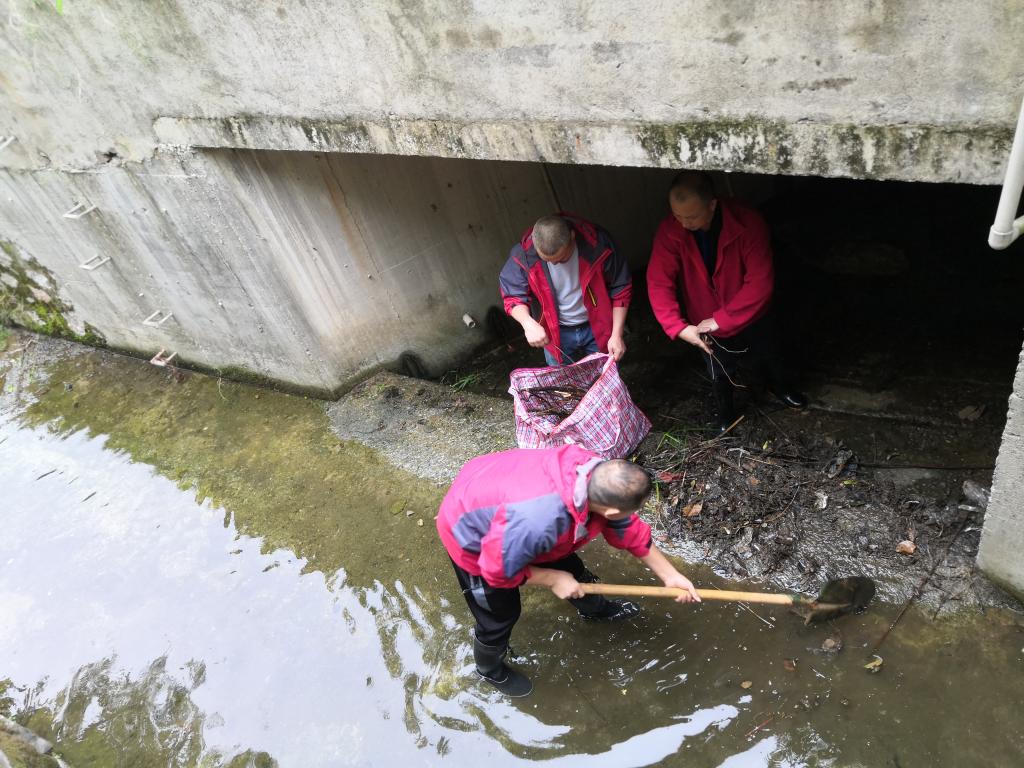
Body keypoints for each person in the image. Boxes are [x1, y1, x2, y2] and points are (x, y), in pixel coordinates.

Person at [436, 445, 701, 697]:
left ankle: (595, 611)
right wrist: (552, 578)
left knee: (573, 571)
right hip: (471, 536)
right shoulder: (537, 524)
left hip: (505, 497)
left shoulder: (595, 473)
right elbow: (496, 570)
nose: (635, 514)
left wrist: (669, 575)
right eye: (633, 509)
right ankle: (489, 670)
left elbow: (625, 526)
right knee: (500, 614)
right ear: (609, 510)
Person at [646, 170, 807, 432]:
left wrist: (723, 319)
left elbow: (760, 282)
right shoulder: (670, 230)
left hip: (750, 310)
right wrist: (677, 326)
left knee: (770, 350)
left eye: (692, 216)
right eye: (677, 216)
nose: (684, 223)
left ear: (712, 204)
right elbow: (658, 281)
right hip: (704, 312)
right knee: (717, 366)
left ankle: (781, 386)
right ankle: (726, 413)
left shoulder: (747, 222)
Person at [499, 213, 631, 365]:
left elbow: (621, 287)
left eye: (561, 259)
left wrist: (617, 334)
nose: (555, 264)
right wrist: (528, 323)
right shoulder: (525, 255)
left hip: (597, 325)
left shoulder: (597, 244)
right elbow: (513, 295)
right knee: (564, 386)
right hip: (556, 333)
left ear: (572, 237)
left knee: (605, 380)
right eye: (547, 261)